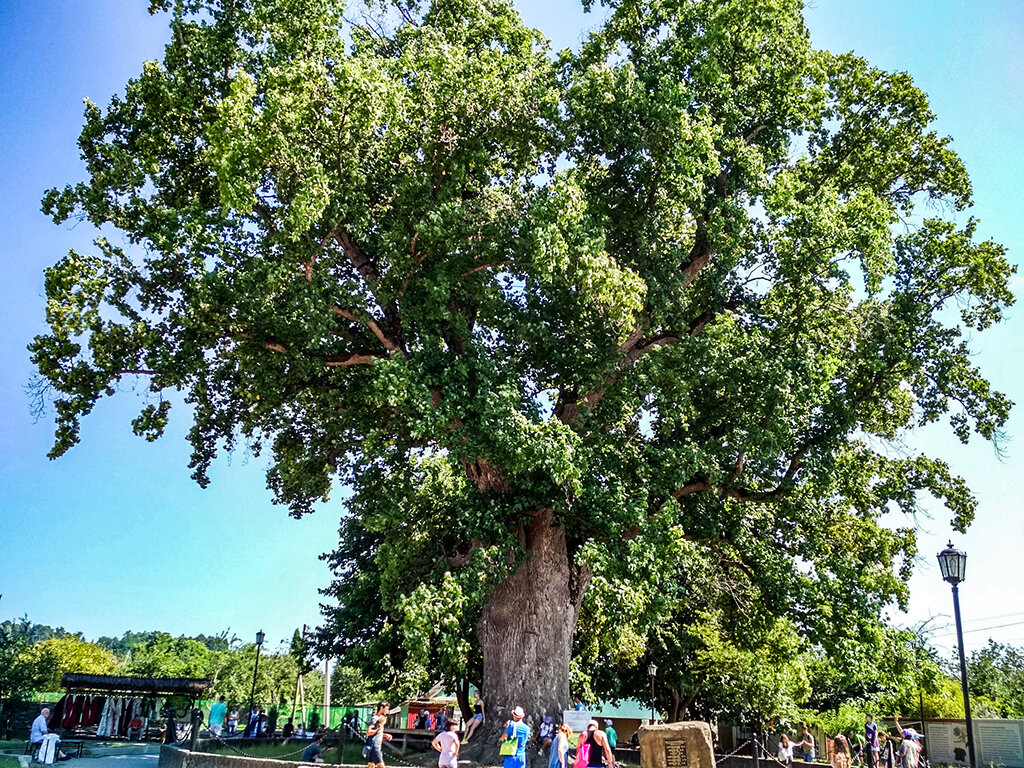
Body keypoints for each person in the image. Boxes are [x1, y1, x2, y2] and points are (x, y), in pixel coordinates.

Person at [366, 702, 393, 768]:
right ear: (381, 708)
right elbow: (368, 732)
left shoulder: (380, 719)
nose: (387, 711)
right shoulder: (375, 719)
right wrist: (378, 729)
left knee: (370, 766)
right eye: (386, 709)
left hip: (376, 746)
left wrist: (385, 735)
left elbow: (376, 733)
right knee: (381, 766)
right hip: (374, 746)